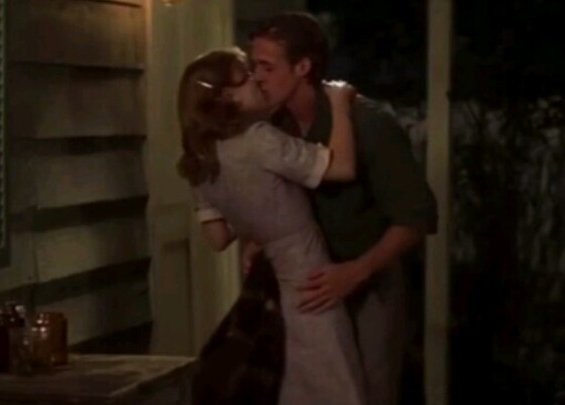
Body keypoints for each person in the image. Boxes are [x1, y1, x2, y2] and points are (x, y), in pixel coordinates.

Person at [246, 12, 438, 405]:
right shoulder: (274, 128)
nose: (257, 78)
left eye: (267, 67)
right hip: (305, 287)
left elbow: (415, 217)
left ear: (303, 67)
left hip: (366, 284)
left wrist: (357, 271)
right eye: (253, 67)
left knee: (368, 392)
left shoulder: (368, 125)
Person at [177, 47, 367, 405]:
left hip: (268, 284)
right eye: (247, 77)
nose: (257, 80)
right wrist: (340, 104)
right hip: (308, 275)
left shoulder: (201, 159)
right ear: (226, 96)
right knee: (332, 384)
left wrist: (261, 226)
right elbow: (341, 167)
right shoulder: (260, 139)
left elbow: (218, 237)